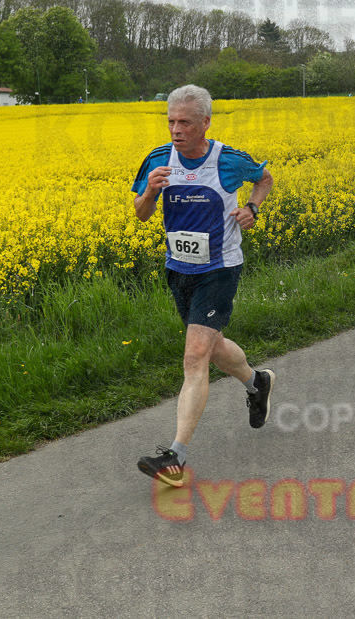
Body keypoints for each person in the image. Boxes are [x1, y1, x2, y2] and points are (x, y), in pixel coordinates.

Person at [132, 85, 275, 488]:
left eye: (185, 123)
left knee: (195, 356)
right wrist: (149, 193)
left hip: (220, 268)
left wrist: (251, 208)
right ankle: (257, 382)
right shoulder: (158, 159)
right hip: (178, 269)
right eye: (171, 121)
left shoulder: (227, 160)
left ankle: (174, 458)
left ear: (205, 123)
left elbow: (264, 178)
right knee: (212, 348)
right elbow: (142, 215)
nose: (176, 130)